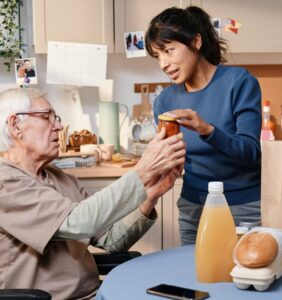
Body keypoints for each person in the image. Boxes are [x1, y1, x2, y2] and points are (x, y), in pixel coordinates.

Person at [0, 88, 185, 299]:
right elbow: (78, 222)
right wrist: (141, 171)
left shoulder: (61, 178)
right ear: (15, 126)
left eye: (56, 118)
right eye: (46, 117)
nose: (59, 126)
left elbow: (111, 240)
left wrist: (151, 194)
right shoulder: (5, 182)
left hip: (97, 294)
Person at [145, 6, 262, 245]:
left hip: (243, 208)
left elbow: (251, 152)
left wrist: (206, 130)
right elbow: (171, 159)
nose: (163, 64)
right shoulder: (165, 101)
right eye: (158, 56)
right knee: (194, 277)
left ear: (195, 42)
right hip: (194, 208)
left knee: (244, 276)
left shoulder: (239, 83)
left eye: (169, 51)